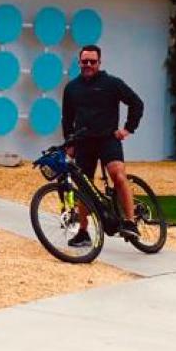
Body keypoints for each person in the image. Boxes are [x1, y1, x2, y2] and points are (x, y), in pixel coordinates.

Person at [61, 43, 144, 246]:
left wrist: (127, 129)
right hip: (83, 142)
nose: (88, 64)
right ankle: (83, 232)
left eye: (92, 61)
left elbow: (136, 103)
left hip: (108, 139)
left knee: (118, 174)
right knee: (83, 186)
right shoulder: (72, 88)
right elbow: (67, 118)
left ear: (99, 62)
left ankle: (130, 222)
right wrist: (69, 142)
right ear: (79, 62)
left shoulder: (112, 83)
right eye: (84, 61)